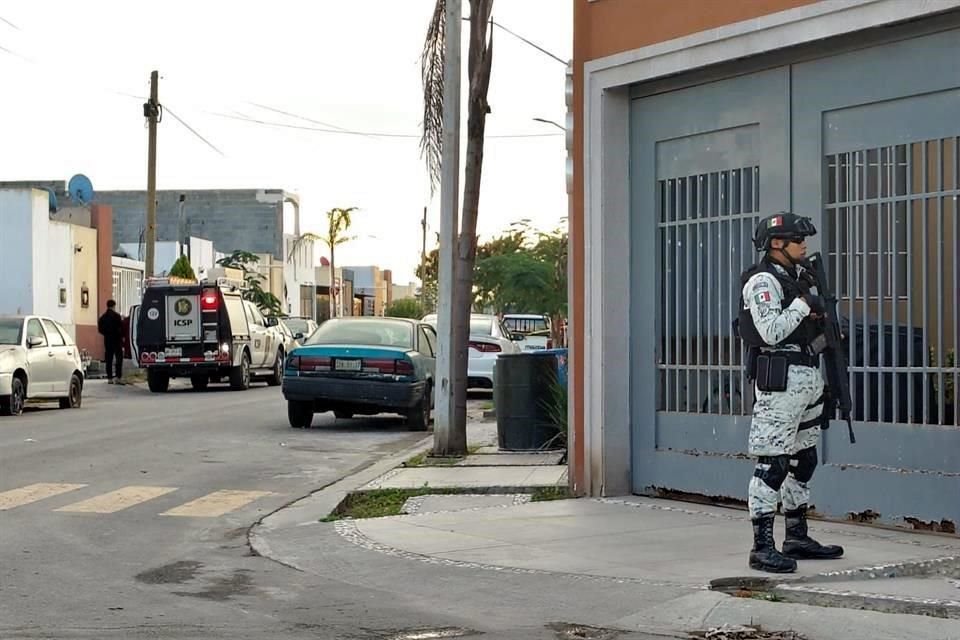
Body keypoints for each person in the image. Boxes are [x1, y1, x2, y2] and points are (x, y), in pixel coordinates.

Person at [737, 213, 844, 573]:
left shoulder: (796, 279)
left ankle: (797, 536)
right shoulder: (763, 281)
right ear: (777, 243)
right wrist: (804, 305)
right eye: (798, 240)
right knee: (773, 464)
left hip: (806, 378)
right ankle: (761, 547)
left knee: (804, 460)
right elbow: (770, 332)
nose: (804, 245)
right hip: (779, 381)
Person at [98, 299, 124, 385]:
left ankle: (109, 378)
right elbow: (121, 328)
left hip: (108, 340)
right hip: (117, 340)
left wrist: (107, 333)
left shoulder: (103, 317)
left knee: (109, 359)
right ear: (113, 306)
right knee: (119, 358)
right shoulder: (117, 316)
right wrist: (120, 336)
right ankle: (118, 377)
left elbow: (100, 329)